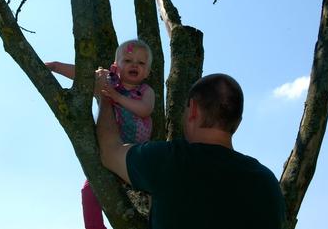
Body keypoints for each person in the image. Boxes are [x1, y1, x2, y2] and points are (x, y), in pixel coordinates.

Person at [95, 73, 286, 229]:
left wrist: (104, 97)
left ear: (193, 109)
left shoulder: (168, 160)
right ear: (237, 122)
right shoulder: (267, 182)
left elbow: (110, 151)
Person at [46, 39, 155, 229]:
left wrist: (118, 98)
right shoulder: (107, 83)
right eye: (128, 61)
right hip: (108, 153)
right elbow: (82, 76)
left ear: (147, 72)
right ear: (115, 66)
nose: (134, 65)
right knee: (88, 191)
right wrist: (56, 66)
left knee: (152, 191)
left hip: (134, 153)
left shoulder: (145, 91)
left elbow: (145, 110)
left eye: (141, 63)